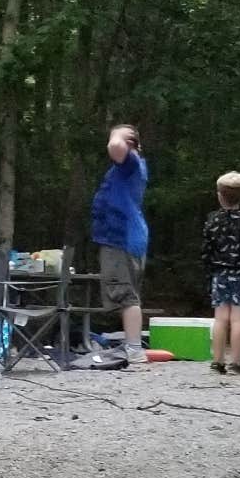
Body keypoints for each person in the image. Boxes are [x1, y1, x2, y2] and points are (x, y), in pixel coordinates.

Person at [91, 124, 149, 362]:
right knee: (127, 294)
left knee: (125, 294)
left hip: (121, 238)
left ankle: (134, 349)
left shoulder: (130, 163)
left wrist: (118, 134)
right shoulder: (129, 166)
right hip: (126, 236)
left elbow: (116, 146)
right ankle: (131, 345)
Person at [200, 170, 240, 376]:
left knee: (220, 319)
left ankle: (217, 361)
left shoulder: (212, 221)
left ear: (219, 195)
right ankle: (236, 362)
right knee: (237, 320)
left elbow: (206, 251)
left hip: (219, 275)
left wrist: (208, 273)